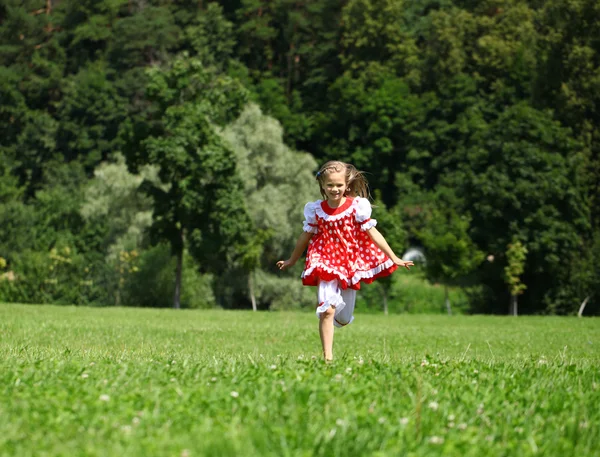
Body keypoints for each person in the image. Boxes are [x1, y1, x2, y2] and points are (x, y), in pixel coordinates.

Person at [276, 160, 414, 362]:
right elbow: (304, 237)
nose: (334, 189)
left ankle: (338, 314)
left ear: (347, 186)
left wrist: (394, 257)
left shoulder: (356, 208)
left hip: (349, 262)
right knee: (327, 310)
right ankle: (327, 358)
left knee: (343, 318)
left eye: (339, 185)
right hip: (323, 259)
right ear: (322, 186)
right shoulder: (316, 210)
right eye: (330, 185)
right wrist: (291, 260)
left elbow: (373, 234)